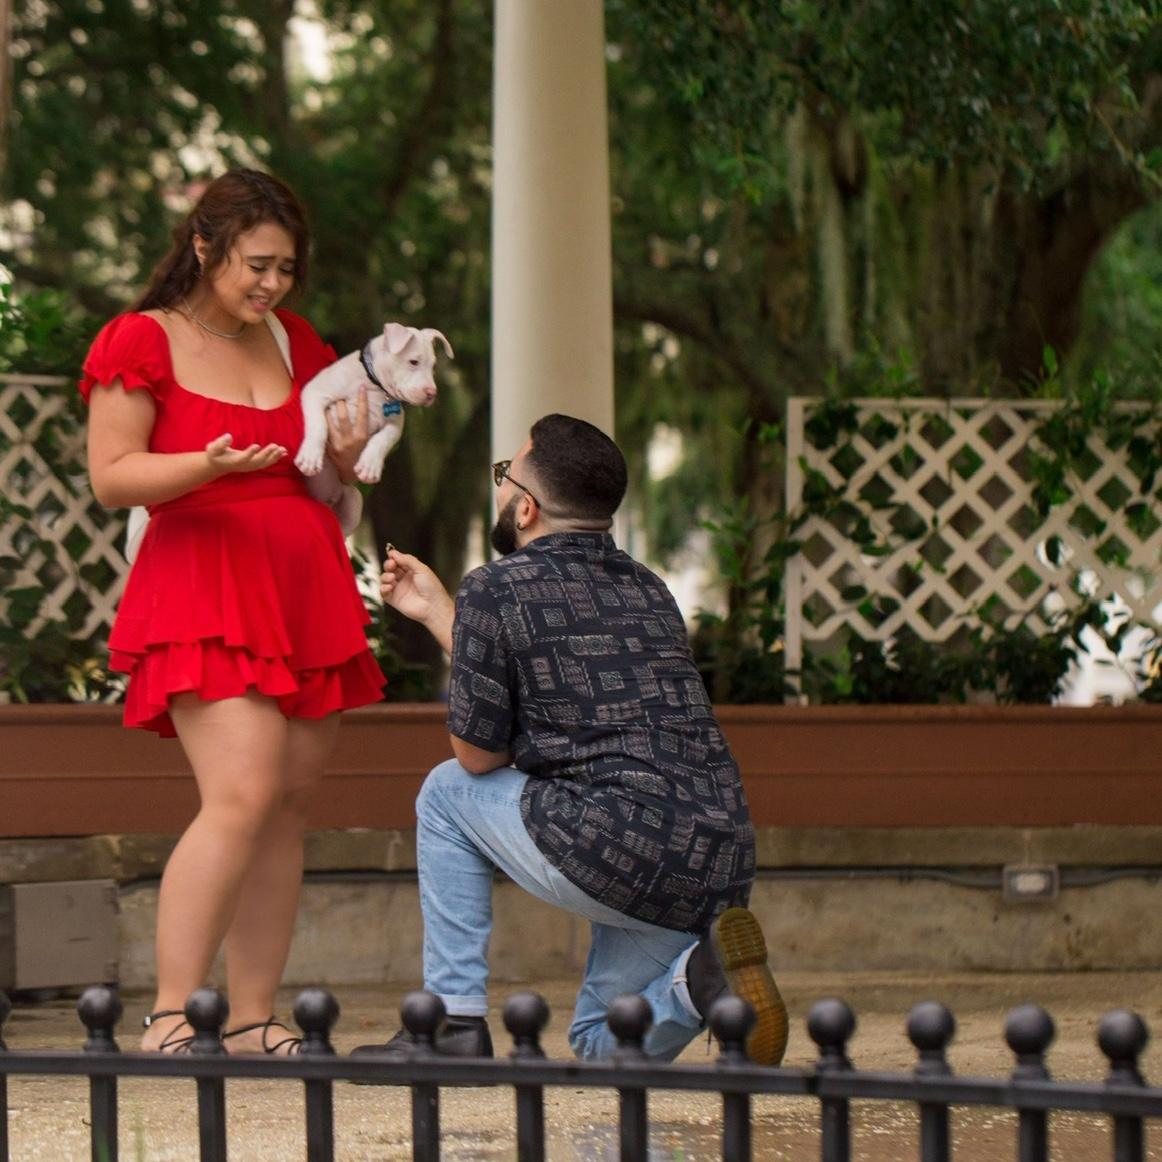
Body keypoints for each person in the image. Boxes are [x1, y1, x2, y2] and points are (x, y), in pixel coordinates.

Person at [355, 413, 788, 1065]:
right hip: (713, 860)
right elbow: (562, 692)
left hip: (620, 846)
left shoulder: (497, 587)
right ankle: (701, 985)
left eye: (506, 476)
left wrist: (465, 619)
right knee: (598, 1044)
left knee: (445, 792)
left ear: (526, 507)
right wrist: (445, 615)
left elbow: (478, 754)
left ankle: (452, 1024)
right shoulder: (648, 589)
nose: (502, 489)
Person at [80, 168, 386, 1054]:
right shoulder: (141, 338)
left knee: (286, 804)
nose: (273, 284)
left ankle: (253, 1017)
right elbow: (112, 477)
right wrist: (204, 467)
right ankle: (172, 1013)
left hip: (303, 581)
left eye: (287, 268)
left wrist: (350, 450)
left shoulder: (296, 340)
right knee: (242, 793)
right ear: (204, 245)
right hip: (203, 580)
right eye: (257, 265)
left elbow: (325, 468)